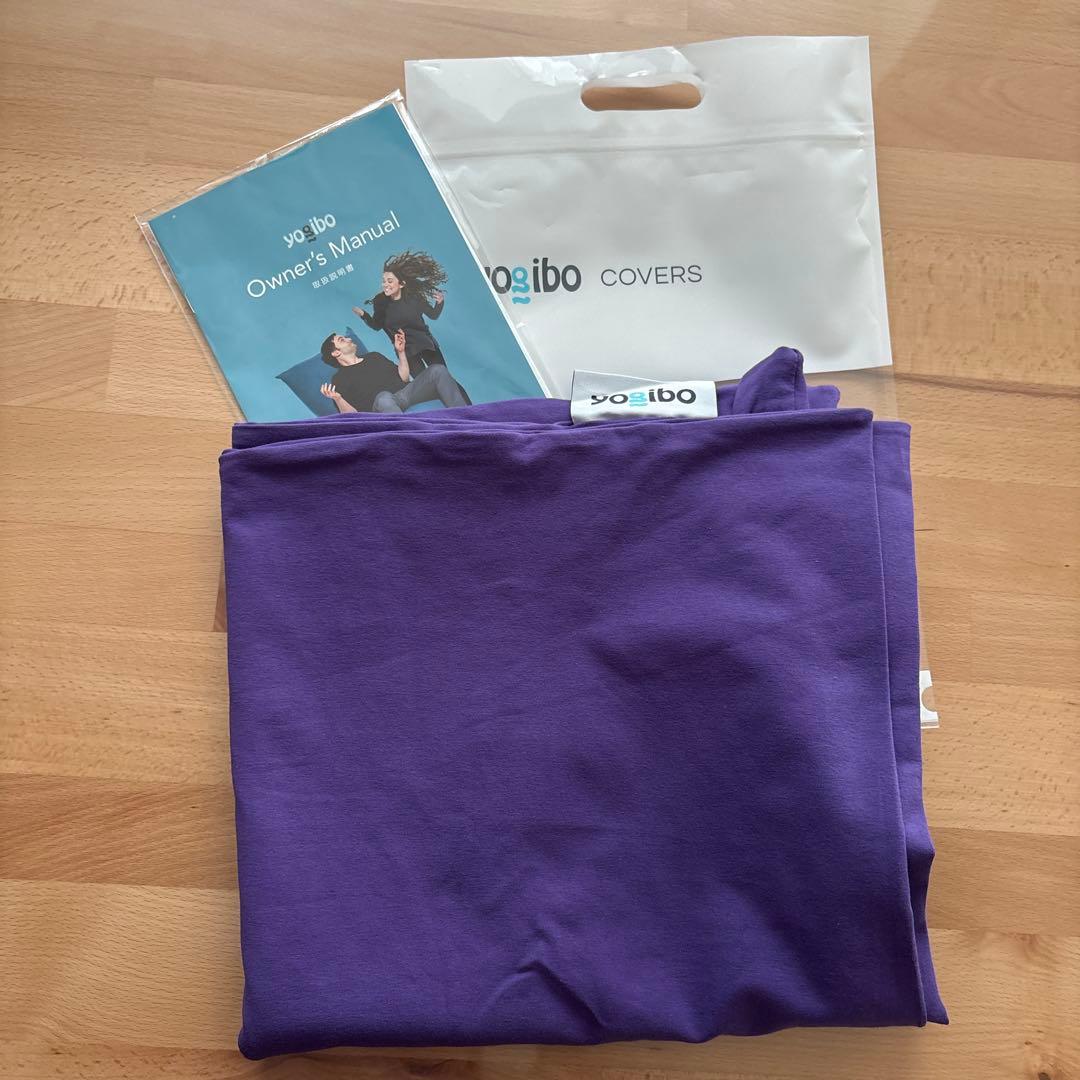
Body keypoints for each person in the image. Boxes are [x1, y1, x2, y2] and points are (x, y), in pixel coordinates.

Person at [352, 250, 471, 403]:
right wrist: (364, 315)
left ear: (401, 283)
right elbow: (377, 325)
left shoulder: (414, 297)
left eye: (389, 281)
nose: (385, 285)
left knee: (446, 379)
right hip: (406, 352)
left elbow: (433, 315)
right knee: (429, 386)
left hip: (426, 344)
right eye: (384, 281)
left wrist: (440, 303)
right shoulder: (380, 301)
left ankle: (469, 408)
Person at [319, 329, 468, 414]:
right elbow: (353, 415)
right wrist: (338, 399)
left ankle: (467, 422)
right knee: (384, 397)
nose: (349, 339)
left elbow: (403, 378)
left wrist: (401, 352)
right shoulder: (339, 379)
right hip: (380, 407)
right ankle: (411, 442)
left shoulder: (374, 357)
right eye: (342, 340)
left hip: (405, 394)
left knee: (437, 370)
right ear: (336, 353)